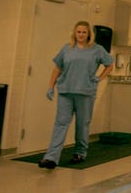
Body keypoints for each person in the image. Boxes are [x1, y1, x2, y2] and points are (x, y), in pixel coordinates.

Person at [38, 20, 114, 169]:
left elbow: (110, 65)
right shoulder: (67, 49)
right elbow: (57, 68)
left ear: (89, 34)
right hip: (66, 91)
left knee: (82, 124)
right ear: (74, 33)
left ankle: (80, 152)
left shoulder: (97, 49)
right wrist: (50, 86)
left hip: (85, 92)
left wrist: (99, 78)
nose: (81, 34)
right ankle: (51, 158)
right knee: (60, 124)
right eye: (78, 32)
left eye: (84, 32)